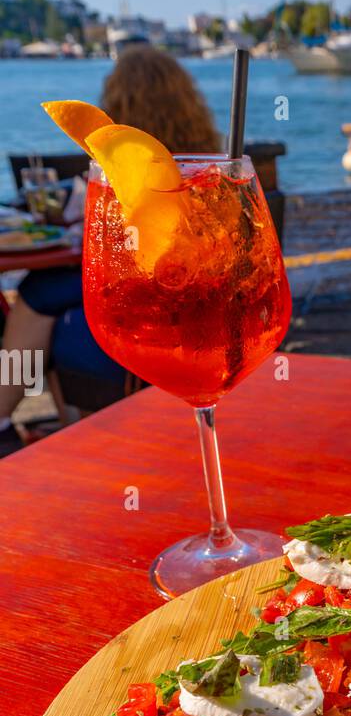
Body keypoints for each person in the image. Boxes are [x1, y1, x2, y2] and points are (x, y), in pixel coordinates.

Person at [0, 47, 221, 455]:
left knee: (36, 294)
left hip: (146, 290)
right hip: (198, 296)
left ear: (117, 103)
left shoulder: (126, 165)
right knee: (44, 293)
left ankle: (6, 413)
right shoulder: (207, 163)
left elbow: (121, 248)